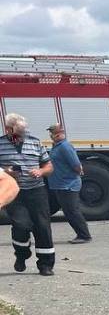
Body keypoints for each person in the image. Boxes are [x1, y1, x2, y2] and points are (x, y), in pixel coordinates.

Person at [0, 113, 55, 275]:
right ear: (8, 129)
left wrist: (40, 171)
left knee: (43, 227)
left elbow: (49, 166)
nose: (21, 136)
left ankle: (46, 265)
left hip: (36, 191)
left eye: (23, 132)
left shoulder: (35, 142)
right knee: (21, 225)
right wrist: (6, 172)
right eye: (18, 133)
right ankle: (22, 255)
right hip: (13, 193)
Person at [46, 123, 92, 244]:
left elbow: (76, 165)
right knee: (69, 211)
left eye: (55, 133)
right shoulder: (57, 146)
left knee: (72, 211)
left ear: (61, 133)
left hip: (68, 184)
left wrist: (77, 173)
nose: (53, 135)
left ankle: (84, 235)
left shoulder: (65, 146)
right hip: (60, 184)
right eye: (51, 133)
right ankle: (81, 234)